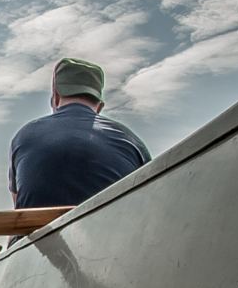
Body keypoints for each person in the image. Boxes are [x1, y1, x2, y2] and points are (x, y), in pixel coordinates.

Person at [8, 57, 150, 212]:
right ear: (99, 106)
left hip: (39, 234)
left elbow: (19, 210)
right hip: (114, 232)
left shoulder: (24, 136)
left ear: (55, 96)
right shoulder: (133, 142)